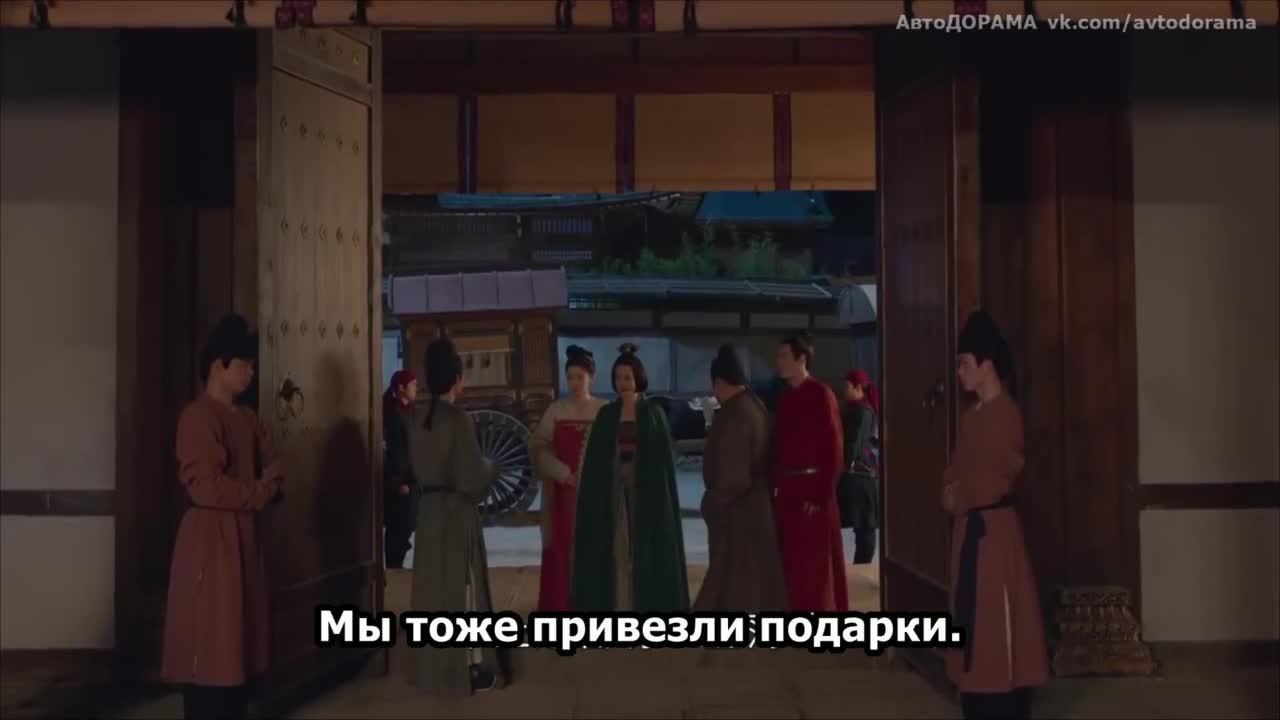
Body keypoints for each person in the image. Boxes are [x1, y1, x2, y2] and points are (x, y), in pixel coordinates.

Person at [162, 314, 282, 720]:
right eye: (245, 364)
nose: (251, 372)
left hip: (242, 534)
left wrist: (263, 488)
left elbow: (274, 466)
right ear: (220, 365)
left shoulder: (247, 418)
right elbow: (205, 486)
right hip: (210, 539)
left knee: (240, 637)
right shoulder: (198, 416)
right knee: (213, 635)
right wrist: (258, 491)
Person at [943, 310, 1048, 720]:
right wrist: (953, 491)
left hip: (993, 534)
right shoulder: (971, 417)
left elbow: (994, 479)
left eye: (964, 363)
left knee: (994, 621)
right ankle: (976, 699)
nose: (959, 372)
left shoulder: (1006, 414)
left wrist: (960, 495)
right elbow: (955, 471)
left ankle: (1000, 702)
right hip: (971, 527)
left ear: (986, 364)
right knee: (971, 620)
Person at [405, 337, 506, 696]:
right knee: (462, 590)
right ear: (458, 379)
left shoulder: (415, 417)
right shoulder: (458, 420)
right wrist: (492, 468)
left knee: (432, 592)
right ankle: (468, 668)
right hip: (456, 511)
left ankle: (431, 668)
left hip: (428, 511)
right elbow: (472, 479)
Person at [572, 342, 688, 612]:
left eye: (627, 377)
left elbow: (661, 464)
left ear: (638, 378)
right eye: (618, 378)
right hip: (613, 491)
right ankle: (620, 605)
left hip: (645, 493)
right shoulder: (606, 415)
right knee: (617, 548)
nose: (623, 383)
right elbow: (597, 462)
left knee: (644, 548)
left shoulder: (653, 414)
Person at [694, 344, 787, 612]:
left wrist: (713, 501)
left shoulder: (735, 413)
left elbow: (733, 473)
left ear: (720, 383)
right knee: (750, 582)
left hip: (738, 510)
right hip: (752, 505)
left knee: (735, 585)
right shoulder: (753, 405)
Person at [771, 331, 849, 611]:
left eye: (784, 356)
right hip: (788, 494)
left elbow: (834, 451)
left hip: (812, 493)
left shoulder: (820, 394)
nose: (779, 362)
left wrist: (820, 496)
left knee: (816, 571)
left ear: (801, 358)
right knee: (791, 568)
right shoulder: (785, 398)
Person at [528, 345, 607, 611]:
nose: (574, 383)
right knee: (563, 548)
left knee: (595, 548)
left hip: (595, 494)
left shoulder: (604, 410)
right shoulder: (557, 409)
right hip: (564, 494)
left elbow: (612, 451)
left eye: (579, 377)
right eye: (570, 377)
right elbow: (537, 447)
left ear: (591, 378)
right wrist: (561, 473)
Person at [838, 368, 881, 565]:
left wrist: (844, 463)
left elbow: (853, 443)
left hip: (861, 478)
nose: (844, 390)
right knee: (864, 526)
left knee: (865, 526)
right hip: (863, 476)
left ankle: (863, 564)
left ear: (858, 388)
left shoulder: (861, 411)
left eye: (848, 386)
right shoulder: (859, 410)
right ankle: (862, 563)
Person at [383, 369, 419, 569]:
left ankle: (396, 563)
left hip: (408, 478)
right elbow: (396, 451)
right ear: (401, 388)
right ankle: (393, 566)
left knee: (404, 527)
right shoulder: (394, 414)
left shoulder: (406, 410)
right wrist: (401, 482)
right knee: (398, 527)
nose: (416, 388)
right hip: (400, 482)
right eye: (412, 385)